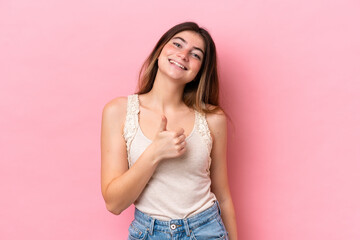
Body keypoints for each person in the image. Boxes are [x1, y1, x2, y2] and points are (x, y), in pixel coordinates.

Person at [101, 21, 238, 240]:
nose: (183, 55)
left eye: (195, 55)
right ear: (159, 50)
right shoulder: (118, 111)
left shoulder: (213, 118)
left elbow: (222, 197)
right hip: (148, 233)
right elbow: (114, 203)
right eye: (177, 44)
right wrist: (155, 152)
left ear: (200, 71)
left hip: (206, 230)